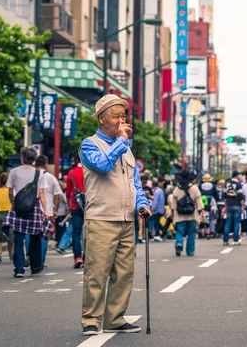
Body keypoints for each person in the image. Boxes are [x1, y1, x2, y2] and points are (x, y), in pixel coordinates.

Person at [79, 94, 151, 336]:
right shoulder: (90, 144)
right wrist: (121, 142)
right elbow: (102, 165)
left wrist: (141, 203)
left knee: (124, 273)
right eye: (116, 116)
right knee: (97, 272)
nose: (122, 120)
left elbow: (135, 183)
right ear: (101, 119)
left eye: (124, 116)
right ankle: (91, 319)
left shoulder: (127, 150)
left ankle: (115, 318)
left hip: (127, 219)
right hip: (101, 218)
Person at [4, 148, 49, 277]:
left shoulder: (13, 172)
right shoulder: (39, 173)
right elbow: (41, 193)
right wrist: (45, 210)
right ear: (34, 159)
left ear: (22, 158)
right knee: (35, 238)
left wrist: (13, 203)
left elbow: (10, 191)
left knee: (18, 239)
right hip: (34, 207)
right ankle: (35, 266)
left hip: (18, 208)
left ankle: (19, 269)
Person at [169, 170, 204, 256]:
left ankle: (179, 243)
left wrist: (172, 211)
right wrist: (202, 211)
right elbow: (199, 200)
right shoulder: (194, 188)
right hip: (192, 214)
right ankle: (190, 251)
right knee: (191, 233)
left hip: (180, 215)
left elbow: (174, 202)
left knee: (179, 231)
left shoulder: (177, 188)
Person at [34, 155, 61, 266]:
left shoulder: (32, 176)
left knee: (31, 235)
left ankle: (30, 256)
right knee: (44, 236)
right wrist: (56, 209)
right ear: (46, 164)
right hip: (47, 211)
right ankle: (40, 261)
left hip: (33, 210)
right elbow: (58, 195)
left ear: (35, 164)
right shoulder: (51, 177)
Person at [65, 156, 86, 268]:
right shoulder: (91, 171)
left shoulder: (72, 173)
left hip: (75, 205)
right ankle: (86, 258)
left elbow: (68, 192)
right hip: (90, 206)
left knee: (76, 232)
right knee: (89, 233)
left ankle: (77, 257)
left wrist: (69, 205)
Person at [223, 170, 245, 246]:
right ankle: (236, 239)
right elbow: (241, 196)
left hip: (229, 204)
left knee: (228, 222)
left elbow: (224, 196)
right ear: (236, 176)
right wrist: (243, 206)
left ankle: (225, 240)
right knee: (236, 223)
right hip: (237, 204)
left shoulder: (227, 184)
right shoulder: (238, 184)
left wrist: (225, 206)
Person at [200, 174, 218, 239]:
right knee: (211, 217)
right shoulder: (213, 186)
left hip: (202, 201)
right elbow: (216, 195)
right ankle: (211, 231)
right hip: (211, 201)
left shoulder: (200, 186)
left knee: (202, 216)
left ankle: (202, 233)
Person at [150, 178, 166, 242]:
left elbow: (155, 202)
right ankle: (164, 232)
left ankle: (157, 235)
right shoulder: (161, 190)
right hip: (161, 208)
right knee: (158, 222)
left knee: (156, 223)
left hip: (157, 210)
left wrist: (152, 209)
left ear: (153, 186)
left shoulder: (156, 192)